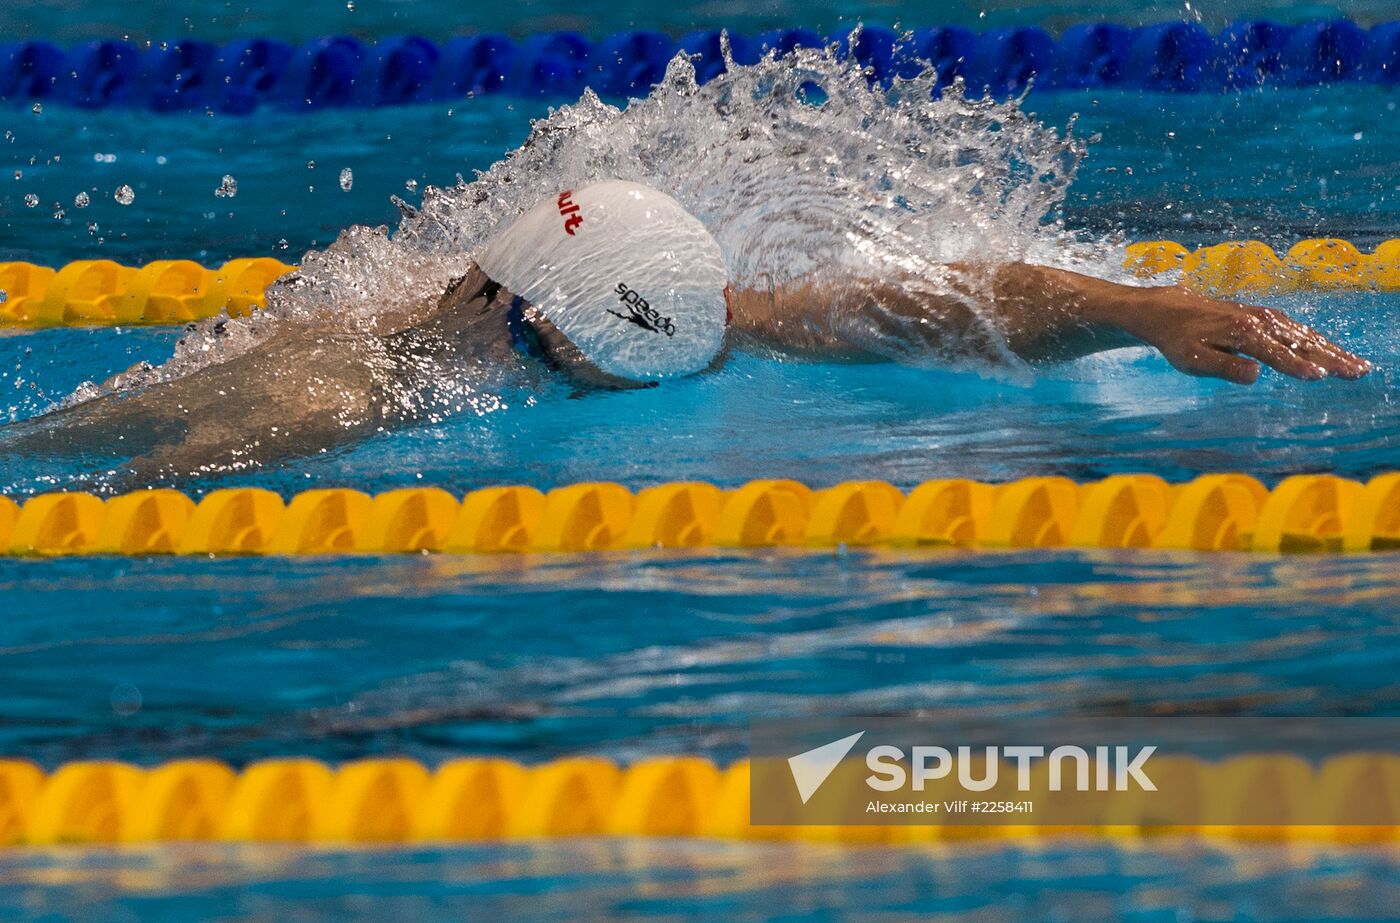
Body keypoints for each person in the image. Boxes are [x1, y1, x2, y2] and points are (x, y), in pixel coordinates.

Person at [8, 180, 1371, 481]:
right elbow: (120, 492)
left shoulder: (719, 320)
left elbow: (951, 302)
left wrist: (1153, 311)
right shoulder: (389, 380)